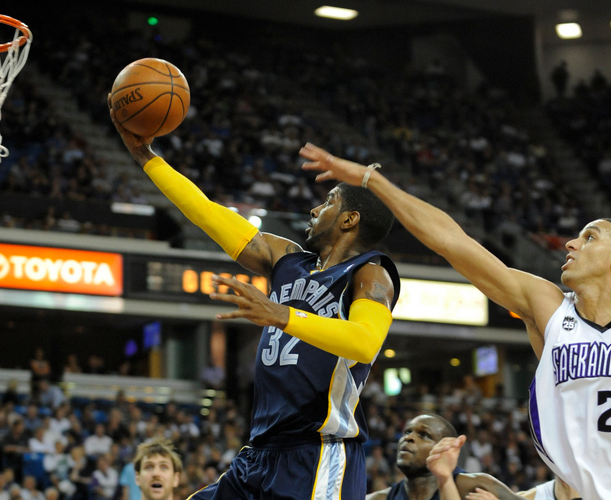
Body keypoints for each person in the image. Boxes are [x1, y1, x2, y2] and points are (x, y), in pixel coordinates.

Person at [299, 143, 611, 500]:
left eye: (590, 236)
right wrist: (372, 181)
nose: (571, 243)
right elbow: (453, 242)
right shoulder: (549, 308)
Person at [109, 97, 401, 499]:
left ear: (350, 220)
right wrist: (146, 157)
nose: (316, 208)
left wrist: (282, 315)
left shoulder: (371, 273)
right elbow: (206, 212)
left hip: (318, 454)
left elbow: (365, 343)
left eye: (330, 202)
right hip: (260, 453)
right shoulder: (286, 259)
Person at [366, 414, 523, 500]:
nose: (409, 438)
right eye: (407, 432)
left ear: (446, 447)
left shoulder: (475, 485)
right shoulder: (380, 498)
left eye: (424, 434)